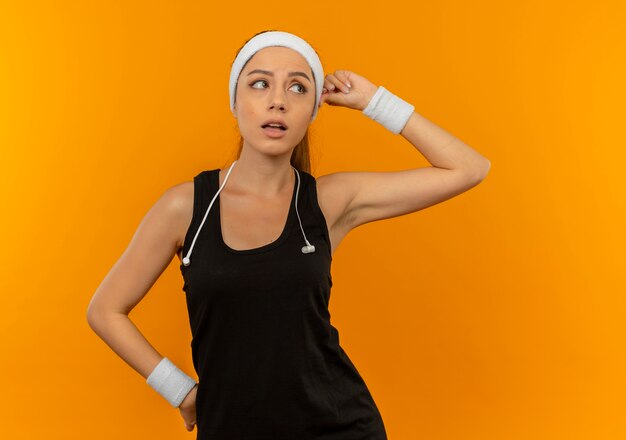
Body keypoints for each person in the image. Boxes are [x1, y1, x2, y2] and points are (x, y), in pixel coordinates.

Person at [86, 29, 491, 439]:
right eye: (259, 83)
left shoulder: (329, 202)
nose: (277, 100)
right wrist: (180, 390)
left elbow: (468, 168)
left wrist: (374, 102)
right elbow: (105, 310)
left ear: (313, 110)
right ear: (235, 101)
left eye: (298, 88)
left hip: (338, 426)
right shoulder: (186, 207)